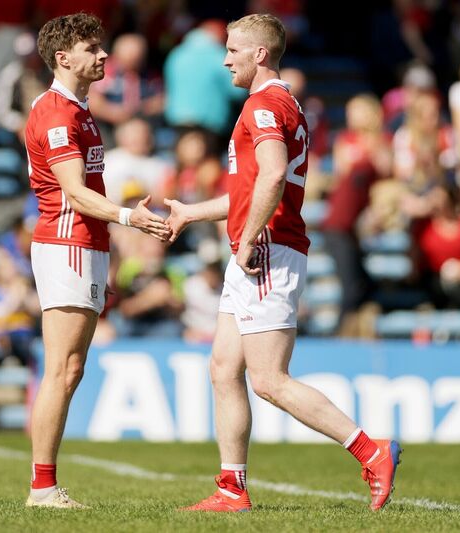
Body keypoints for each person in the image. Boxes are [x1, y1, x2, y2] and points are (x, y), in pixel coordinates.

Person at [165, 14, 401, 513]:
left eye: (232, 50)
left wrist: (249, 239)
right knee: (223, 368)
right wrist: (193, 212)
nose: (224, 59)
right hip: (257, 244)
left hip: (266, 248)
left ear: (259, 55)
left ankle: (370, 450)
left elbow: (272, 178)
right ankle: (232, 488)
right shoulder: (280, 102)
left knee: (269, 379)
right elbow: (252, 190)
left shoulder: (265, 106)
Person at [23, 13, 170, 509]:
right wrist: (131, 218)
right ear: (64, 58)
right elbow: (75, 193)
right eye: (92, 48)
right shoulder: (59, 115)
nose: (104, 55)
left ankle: (45, 484)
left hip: (86, 245)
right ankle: (42, 487)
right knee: (60, 369)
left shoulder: (79, 110)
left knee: (71, 369)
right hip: (67, 242)